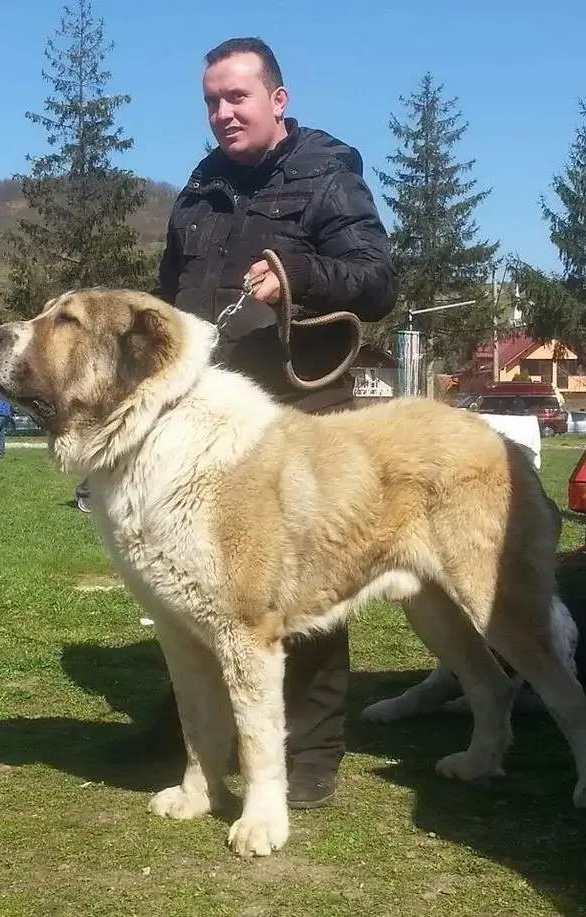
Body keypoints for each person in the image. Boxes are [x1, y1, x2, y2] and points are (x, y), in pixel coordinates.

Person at [139, 36, 397, 809]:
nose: (222, 113)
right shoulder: (200, 185)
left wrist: (301, 279)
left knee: (300, 588)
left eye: (237, 98)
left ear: (277, 100)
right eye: (212, 101)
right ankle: (193, 735)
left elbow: (379, 280)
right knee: (187, 582)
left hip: (297, 410)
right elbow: (168, 294)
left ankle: (310, 750)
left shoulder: (326, 172)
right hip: (201, 421)